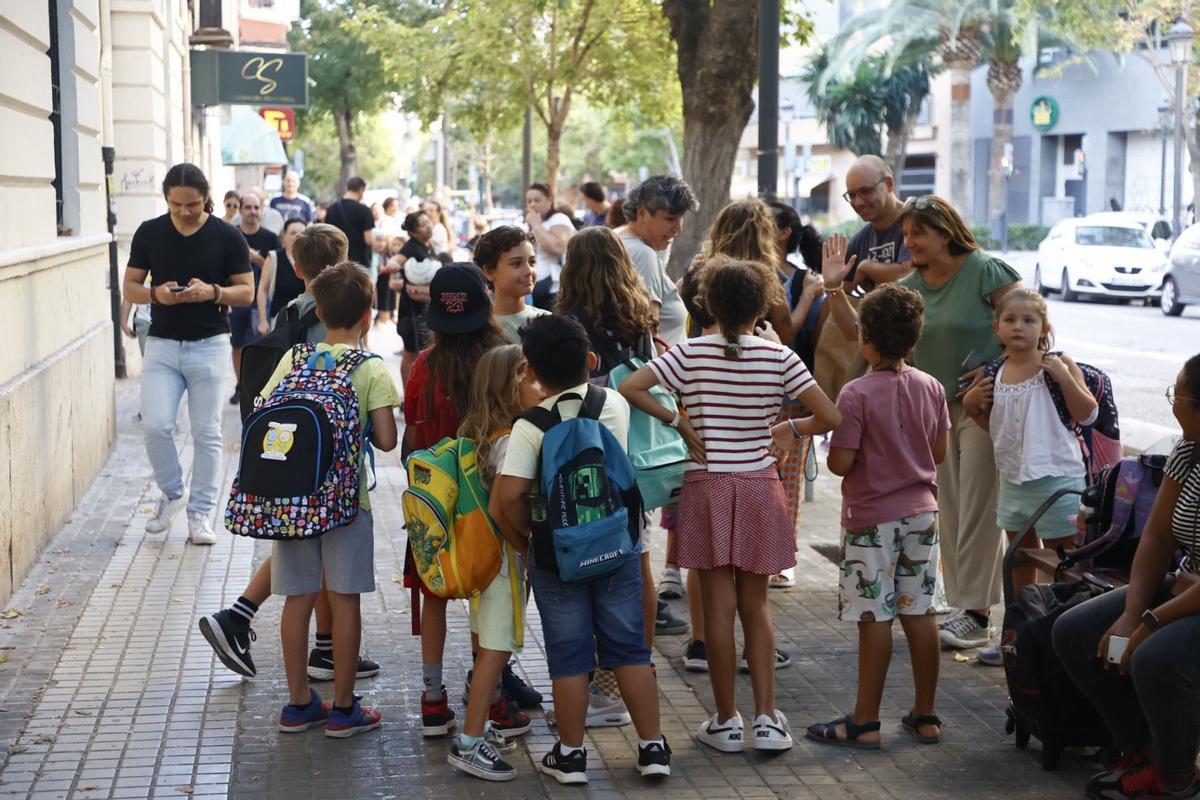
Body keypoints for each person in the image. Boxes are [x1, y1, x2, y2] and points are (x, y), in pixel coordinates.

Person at [620, 256, 841, 754]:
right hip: (760, 486)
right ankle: (767, 719)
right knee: (756, 607)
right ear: (762, 304)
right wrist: (788, 428)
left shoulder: (689, 354)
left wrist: (678, 421)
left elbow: (630, 387)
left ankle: (725, 720)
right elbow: (830, 416)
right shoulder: (779, 357)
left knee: (716, 611)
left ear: (707, 306)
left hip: (706, 485)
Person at [822, 195, 1021, 651]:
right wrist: (834, 289)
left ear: (945, 233)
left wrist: (994, 370)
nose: (907, 241)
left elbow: (1026, 323)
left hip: (983, 407)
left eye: (917, 234)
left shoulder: (986, 270)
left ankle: (975, 610)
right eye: (907, 233)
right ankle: (962, 606)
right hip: (936, 407)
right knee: (948, 506)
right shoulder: (912, 284)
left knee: (977, 504)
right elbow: (861, 330)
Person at [491, 313, 672, 784]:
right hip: (617, 546)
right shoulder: (613, 404)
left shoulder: (530, 426)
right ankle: (653, 748)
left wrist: (525, 542)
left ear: (529, 371)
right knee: (630, 648)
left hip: (557, 555)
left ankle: (570, 757)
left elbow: (506, 498)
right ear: (590, 360)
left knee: (570, 657)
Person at [199, 224, 383, 682]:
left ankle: (311, 652)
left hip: (290, 466)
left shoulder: (292, 314)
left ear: (298, 269)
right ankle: (245, 618)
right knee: (328, 559)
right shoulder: (348, 343)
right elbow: (382, 433)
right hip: (336, 477)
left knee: (304, 552)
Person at [805, 283, 949, 750]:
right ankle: (926, 714)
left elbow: (841, 463)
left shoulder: (855, 393)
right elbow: (940, 452)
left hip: (871, 521)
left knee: (875, 616)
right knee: (921, 611)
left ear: (865, 337)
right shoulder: (932, 387)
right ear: (914, 337)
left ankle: (865, 720)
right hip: (923, 514)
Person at [259, 261, 399, 738]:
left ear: (317, 310)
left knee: (296, 600)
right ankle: (343, 708)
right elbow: (385, 441)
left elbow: (266, 411)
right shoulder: (371, 368)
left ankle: (298, 703)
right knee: (344, 600)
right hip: (346, 502)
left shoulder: (295, 359)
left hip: (291, 498)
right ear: (369, 314)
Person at [1051, 355, 1200, 800]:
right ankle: (1140, 750)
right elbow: (1156, 537)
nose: (1172, 405)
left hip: (1190, 596)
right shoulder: (1188, 449)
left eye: (1178, 396)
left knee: (1153, 657)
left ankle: (1177, 779)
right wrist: (1133, 611)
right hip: (1185, 587)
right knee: (1073, 631)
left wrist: (1149, 621)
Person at [554, 226, 682, 722]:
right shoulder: (639, 317)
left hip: (584, 457)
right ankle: (633, 669)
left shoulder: (568, 322)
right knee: (637, 559)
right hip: (634, 458)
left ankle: (602, 688)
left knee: (591, 566)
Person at [403, 265, 536, 740]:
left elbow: (412, 440)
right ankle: (493, 696)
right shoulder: (501, 358)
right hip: (487, 500)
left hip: (438, 501)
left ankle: (433, 698)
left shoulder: (424, 364)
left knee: (434, 593)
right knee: (488, 595)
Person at [121, 163, 253, 545]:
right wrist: (155, 294)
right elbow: (130, 286)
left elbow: (245, 291)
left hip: (210, 343)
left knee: (207, 432)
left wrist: (212, 292)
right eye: (176, 204)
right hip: (162, 342)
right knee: (156, 424)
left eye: (192, 204)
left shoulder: (227, 236)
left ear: (205, 198)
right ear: (166, 199)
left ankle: (200, 516)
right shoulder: (150, 232)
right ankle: (173, 493)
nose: (184, 212)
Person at [964, 288, 1097, 665]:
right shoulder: (994, 372)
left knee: (1063, 561)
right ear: (997, 327)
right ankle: (1020, 635)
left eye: (1028, 320)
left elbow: (1087, 413)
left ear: (1044, 328)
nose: (1018, 327)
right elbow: (997, 429)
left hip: (1056, 480)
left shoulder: (1056, 366)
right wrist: (974, 409)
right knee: (1019, 557)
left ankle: (1063, 637)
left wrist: (1065, 377)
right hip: (1013, 479)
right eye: (1010, 320)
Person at [447, 344, 545, 782]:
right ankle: (468, 743)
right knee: (496, 651)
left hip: (486, 561)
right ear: (512, 385)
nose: (540, 388)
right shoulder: (510, 442)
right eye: (532, 379)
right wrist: (526, 547)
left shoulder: (484, 434)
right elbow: (505, 506)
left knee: (490, 646)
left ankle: (479, 727)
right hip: (504, 561)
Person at [814, 155, 912, 402]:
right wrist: (832, 284)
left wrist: (867, 267)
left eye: (865, 191)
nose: (857, 202)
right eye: (851, 195)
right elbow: (844, 300)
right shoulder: (861, 238)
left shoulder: (913, 222)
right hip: (878, 358)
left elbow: (909, 271)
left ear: (889, 184)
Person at [618, 175, 698, 347]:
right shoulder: (643, 254)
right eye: (670, 219)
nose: (678, 229)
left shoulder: (619, 240)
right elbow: (652, 334)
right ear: (642, 213)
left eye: (681, 218)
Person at [230, 191, 280, 403]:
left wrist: (254, 257)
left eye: (256, 207)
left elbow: (274, 269)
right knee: (238, 345)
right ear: (240, 211)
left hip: (263, 299)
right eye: (248, 208)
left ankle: (261, 386)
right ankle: (241, 385)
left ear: (262, 210)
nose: (252, 212)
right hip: (236, 297)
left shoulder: (269, 238)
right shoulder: (232, 234)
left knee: (261, 345)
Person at [473, 225, 548, 342]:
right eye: (516, 264)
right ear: (489, 272)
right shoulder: (479, 328)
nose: (529, 271)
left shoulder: (549, 322)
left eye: (532, 262)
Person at [391, 210, 438, 385]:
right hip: (410, 311)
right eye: (423, 224)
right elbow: (396, 261)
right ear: (412, 232)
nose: (428, 226)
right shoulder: (411, 247)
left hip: (425, 309)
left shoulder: (428, 245)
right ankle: (408, 396)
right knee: (410, 353)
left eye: (429, 222)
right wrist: (394, 265)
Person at [524, 183, 575, 308]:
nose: (532, 204)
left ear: (549, 200)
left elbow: (557, 247)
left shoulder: (559, 219)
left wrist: (536, 225)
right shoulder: (533, 224)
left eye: (537, 200)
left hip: (553, 289)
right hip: (534, 286)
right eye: (529, 201)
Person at [256, 218, 308, 336]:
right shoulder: (273, 258)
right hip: (280, 321)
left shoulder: (312, 259)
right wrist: (263, 321)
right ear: (284, 236)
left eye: (301, 233)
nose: (297, 236)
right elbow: (262, 290)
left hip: (307, 322)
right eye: (293, 233)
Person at [324, 177, 375, 269]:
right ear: (361, 190)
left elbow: (327, 234)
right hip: (359, 262)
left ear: (347, 188)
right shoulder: (364, 210)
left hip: (336, 259)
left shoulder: (332, 208)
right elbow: (369, 239)